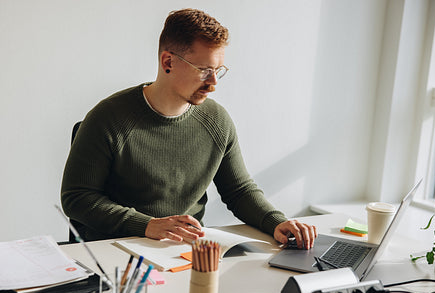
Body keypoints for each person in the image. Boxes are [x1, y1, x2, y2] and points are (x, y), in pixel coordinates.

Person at [61, 8, 317, 249]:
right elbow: (78, 198)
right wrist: (147, 225)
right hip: (118, 251)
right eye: (204, 70)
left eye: (218, 70)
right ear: (168, 62)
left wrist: (275, 221)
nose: (214, 83)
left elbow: (239, 191)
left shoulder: (216, 120)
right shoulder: (108, 118)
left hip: (183, 251)